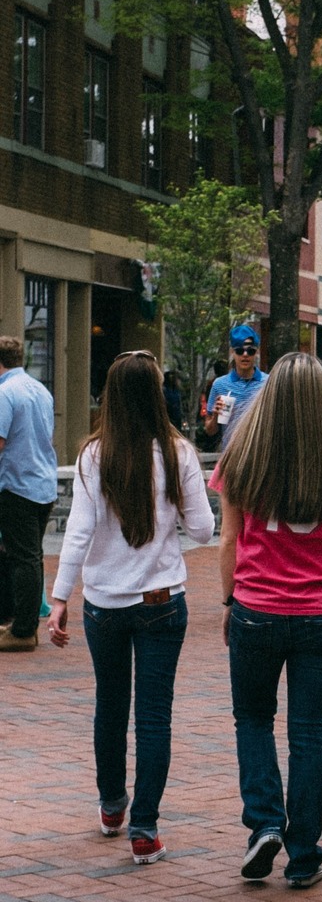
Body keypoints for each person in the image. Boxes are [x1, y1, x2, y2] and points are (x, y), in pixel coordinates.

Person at [211, 353, 322, 888]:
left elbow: (229, 537)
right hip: (320, 614)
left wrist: (228, 600)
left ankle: (264, 823)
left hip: (256, 608)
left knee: (253, 721)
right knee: (310, 736)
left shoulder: (244, 452)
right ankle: (304, 854)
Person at [46, 351, 213, 861]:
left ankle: (112, 804)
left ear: (111, 398)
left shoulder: (94, 455)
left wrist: (59, 598)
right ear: (157, 394)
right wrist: (176, 516)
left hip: (103, 602)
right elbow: (205, 529)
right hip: (162, 599)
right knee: (154, 715)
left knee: (110, 704)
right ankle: (145, 830)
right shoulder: (178, 451)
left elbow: (77, 532)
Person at [0, 334, 58, 653]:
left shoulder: (5, 392)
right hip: (43, 484)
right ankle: (22, 623)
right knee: (31, 556)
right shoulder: (40, 390)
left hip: (17, 484)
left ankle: (23, 629)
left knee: (23, 558)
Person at [203, 325, 267, 447]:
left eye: (250, 351)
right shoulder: (220, 385)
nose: (245, 354)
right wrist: (216, 415)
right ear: (232, 352)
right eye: (239, 350)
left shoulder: (268, 382)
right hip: (231, 457)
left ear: (256, 352)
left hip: (259, 457)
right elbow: (210, 431)